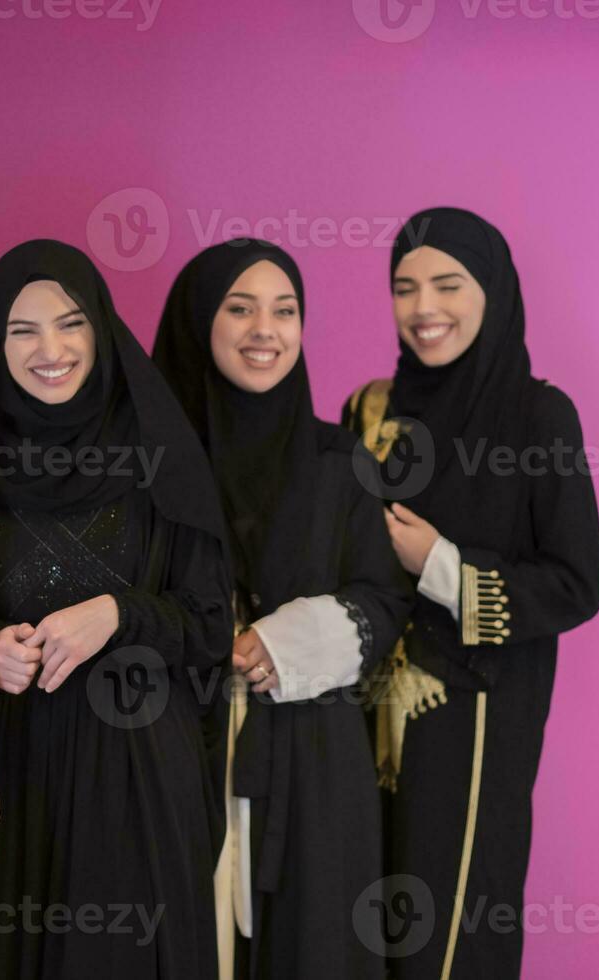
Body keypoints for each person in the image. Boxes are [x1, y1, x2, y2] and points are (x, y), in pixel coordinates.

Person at [0, 239, 232, 980]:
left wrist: (118, 615)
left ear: (101, 328)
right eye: (22, 330)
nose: (51, 350)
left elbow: (207, 626)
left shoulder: (159, 455)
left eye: (71, 324)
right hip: (8, 780)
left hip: (138, 780)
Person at [341, 208, 599, 979]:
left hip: (476, 719)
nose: (425, 308)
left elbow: (574, 582)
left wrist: (443, 567)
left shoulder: (537, 416)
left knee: (452, 928)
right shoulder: (370, 412)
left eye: (448, 285)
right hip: (357, 717)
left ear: (492, 291)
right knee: (354, 921)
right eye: (405, 288)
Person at [152, 240, 411, 980]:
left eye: (285, 310)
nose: (265, 329)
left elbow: (385, 598)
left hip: (313, 767)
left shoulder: (341, 464)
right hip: (175, 752)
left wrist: (290, 640)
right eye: (239, 308)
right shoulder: (148, 465)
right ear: (200, 321)